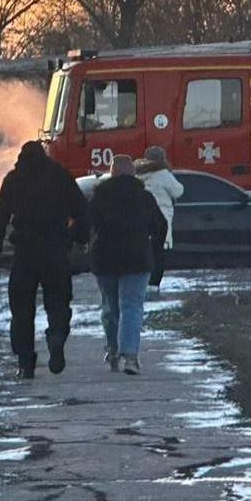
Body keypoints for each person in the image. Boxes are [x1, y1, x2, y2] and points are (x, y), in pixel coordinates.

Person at [0, 141, 89, 380]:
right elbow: (82, 210)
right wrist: (79, 237)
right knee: (58, 301)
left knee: (21, 309)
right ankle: (56, 337)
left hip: (25, 252)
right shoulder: (60, 176)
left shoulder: (14, 179)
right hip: (56, 251)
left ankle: (25, 362)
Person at [89, 155, 167, 375]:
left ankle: (113, 350)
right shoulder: (144, 197)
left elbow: (89, 224)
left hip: (105, 259)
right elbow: (160, 225)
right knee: (132, 306)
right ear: (134, 173)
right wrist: (152, 245)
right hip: (137, 258)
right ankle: (130, 357)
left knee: (110, 308)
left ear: (111, 173)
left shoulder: (99, 196)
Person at [135, 146, 183, 293]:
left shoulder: (136, 173)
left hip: (140, 218)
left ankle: (141, 282)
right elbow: (178, 190)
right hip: (160, 217)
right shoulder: (163, 174)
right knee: (158, 253)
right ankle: (153, 285)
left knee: (142, 252)